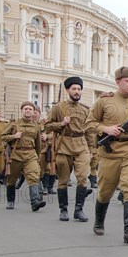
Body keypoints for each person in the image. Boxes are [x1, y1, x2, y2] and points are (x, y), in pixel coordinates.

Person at [86, 66, 128, 244]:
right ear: (118, 82)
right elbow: (89, 124)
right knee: (105, 192)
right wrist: (105, 129)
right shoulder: (103, 101)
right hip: (110, 153)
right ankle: (99, 221)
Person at [45, 77, 95, 222]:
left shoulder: (86, 110)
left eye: (79, 89)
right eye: (74, 89)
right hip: (63, 145)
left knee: (82, 179)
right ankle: (64, 209)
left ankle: (79, 210)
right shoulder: (58, 108)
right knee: (63, 180)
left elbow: (89, 131)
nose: (77, 91)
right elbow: (47, 125)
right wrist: (61, 123)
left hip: (81, 146)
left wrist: (91, 150)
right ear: (67, 90)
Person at [1, 102, 45, 211]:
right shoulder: (14, 123)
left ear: (33, 112)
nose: (28, 110)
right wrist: (13, 136)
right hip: (16, 155)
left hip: (30, 155)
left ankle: (35, 202)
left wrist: (38, 156)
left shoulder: (36, 126)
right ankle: (10, 201)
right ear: (22, 110)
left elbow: (38, 143)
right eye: (26, 108)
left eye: (30, 109)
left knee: (34, 177)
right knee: (12, 179)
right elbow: (2, 137)